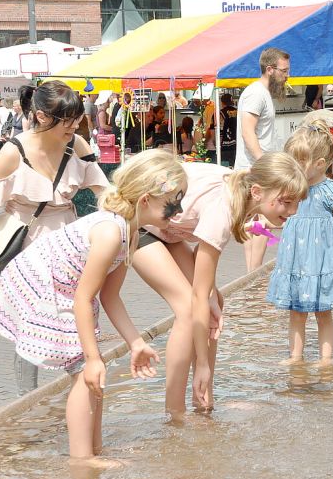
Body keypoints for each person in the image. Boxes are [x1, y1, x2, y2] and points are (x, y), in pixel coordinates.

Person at [0, 150, 183, 459]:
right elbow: (83, 298)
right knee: (85, 373)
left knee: (93, 373)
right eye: (173, 202)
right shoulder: (110, 232)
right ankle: (82, 460)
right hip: (44, 287)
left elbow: (109, 296)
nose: (178, 210)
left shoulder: (128, 232)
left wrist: (136, 342)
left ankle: (94, 450)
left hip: (68, 290)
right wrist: (91, 358)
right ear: (145, 200)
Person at [132, 152, 308, 419]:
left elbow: (200, 264)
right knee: (188, 308)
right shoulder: (223, 209)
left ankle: (203, 401)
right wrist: (201, 362)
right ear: (258, 191)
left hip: (168, 231)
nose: (292, 211)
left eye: (296, 203)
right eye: (286, 202)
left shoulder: (240, 192)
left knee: (216, 303)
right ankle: (175, 415)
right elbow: (198, 295)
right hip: (139, 226)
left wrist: (212, 297)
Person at [0, 81, 108, 395]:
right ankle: (28, 401)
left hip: (69, 244)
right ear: (43, 116)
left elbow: (104, 191)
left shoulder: (78, 145)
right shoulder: (13, 152)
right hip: (26, 245)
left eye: (77, 119)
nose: (75, 126)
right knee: (31, 326)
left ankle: (82, 386)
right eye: (68, 119)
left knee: (79, 310)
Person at [267, 122, 333, 365]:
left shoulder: (330, 190)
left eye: (298, 162)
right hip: (296, 263)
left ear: (319, 164)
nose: (292, 167)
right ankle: (296, 357)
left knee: (323, 314)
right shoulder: (290, 188)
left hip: (321, 264)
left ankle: (325, 359)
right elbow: (274, 215)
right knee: (296, 313)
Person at [236, 47, 291, 271]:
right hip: (254, 169)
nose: (287, 75)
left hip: (254, 168)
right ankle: (255, 277)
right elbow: (248, 131)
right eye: (284, 71)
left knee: (253, 224)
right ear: (270, 70)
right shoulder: (256, 93)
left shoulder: (262, 93)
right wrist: (263, 164)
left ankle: (251, 276)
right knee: (260, 222)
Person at [217, 93, 238, 167]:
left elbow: (220, 129)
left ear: (222, 102)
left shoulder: (220, 113)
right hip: (236, 144)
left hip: (225, 145)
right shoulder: (237, 111)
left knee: (224, 168)